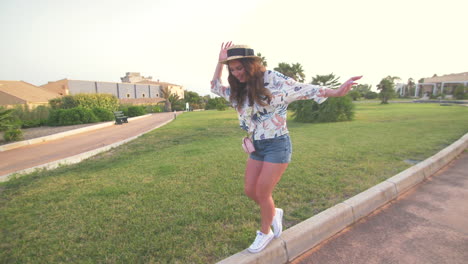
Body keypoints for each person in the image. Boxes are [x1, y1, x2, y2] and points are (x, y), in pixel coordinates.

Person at [211, 42, 362, 253]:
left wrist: (336, 92)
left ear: (250, 65)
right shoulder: (239, 89)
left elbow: (302, 88)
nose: (236, 73)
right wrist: (219, 63)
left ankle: (266, 233)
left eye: (239, 68)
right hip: (256, 146)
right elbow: (215, 87)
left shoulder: (272, 79)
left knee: (263, 193)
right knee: (250, 190)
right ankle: (274, 212)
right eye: (232, 69)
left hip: (277, 145)